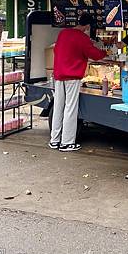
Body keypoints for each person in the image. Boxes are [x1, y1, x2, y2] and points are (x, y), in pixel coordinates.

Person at [50, 13, 106, 152]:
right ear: (87, 26)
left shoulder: (63, 33)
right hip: (72, 77)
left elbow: (56, 50)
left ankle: (54, 140)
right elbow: (94, 54)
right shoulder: (82, 38)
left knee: (58, 107)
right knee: (70, 108)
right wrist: (105, 53)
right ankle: (67, 143)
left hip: (58, 75)